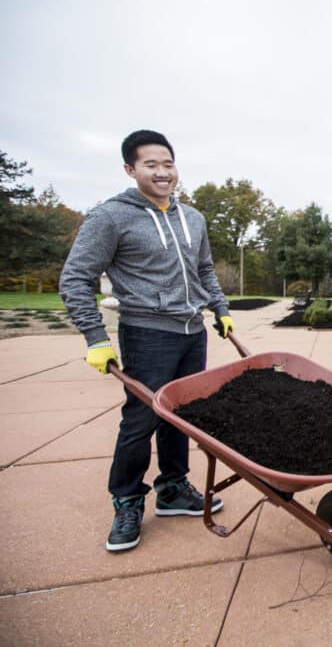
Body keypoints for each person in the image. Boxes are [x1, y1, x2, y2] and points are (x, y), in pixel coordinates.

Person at [60, 129, 235, 553]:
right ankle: (127, 500)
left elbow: (205, 269)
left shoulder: (193, 218)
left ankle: (173, 489)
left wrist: (221, 309)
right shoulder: (111, 217)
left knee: (183, 414)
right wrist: (95, 338)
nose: (162, 172)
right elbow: (75, 278)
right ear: (130, 169)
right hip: (147, 333)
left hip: (193, 333)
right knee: (141, 421)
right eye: (150, 164)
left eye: (168, 164)